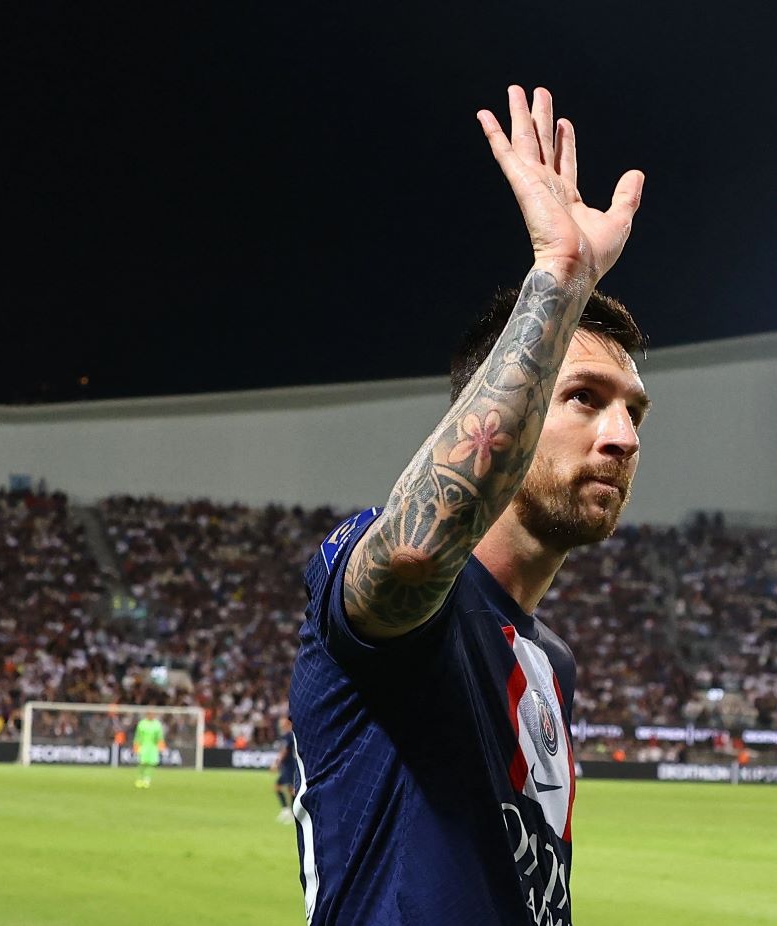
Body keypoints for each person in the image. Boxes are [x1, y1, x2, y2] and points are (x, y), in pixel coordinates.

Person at [290, 85, 646, 925]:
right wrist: (559, 278)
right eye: (585, 398)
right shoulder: (407, 605)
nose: (623, 436)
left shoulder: (549, 661)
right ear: (503, 405)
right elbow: (419, 552)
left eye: (634, 411)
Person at [271, 717, 296, 824]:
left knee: (288, 788)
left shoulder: (288, 736)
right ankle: (289, 811)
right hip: (288, 765)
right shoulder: (288, 735)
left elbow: (284, 751)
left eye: (282, 723)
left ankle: (290, 811)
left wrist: (276, 763)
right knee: (288, 788)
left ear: (287, 724)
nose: (280, 725)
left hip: (289, 766)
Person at [132, 710, 164, 789]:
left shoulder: (157, 724)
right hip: (143, 746)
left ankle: (147, 779)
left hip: (153, 747)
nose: (151, 716)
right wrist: (136, 745)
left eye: (153, 714)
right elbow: (138, 736)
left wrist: (160, 745)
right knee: (142, 763)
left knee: (151, 763)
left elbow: (159, 736)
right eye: (150, 714)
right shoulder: (142, 724)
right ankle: (140, 779)